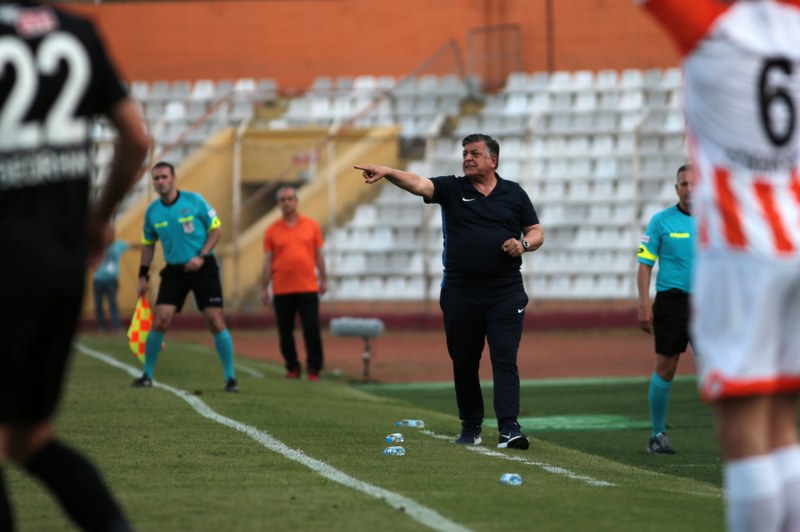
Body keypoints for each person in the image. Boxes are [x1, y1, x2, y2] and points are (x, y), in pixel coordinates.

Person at [642, 1, 800, 530]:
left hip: (743, 250)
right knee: (784, 418)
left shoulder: (716, 26)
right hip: (796, 233)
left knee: (747, 422)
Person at [0, 2, 149, 530]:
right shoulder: (79, 31)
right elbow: (136, 138)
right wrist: (98, 218)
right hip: (59, 266)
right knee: (29, 439)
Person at [355, 133, 544, 450]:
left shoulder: (514, 193)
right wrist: (388, 172)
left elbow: (536, 232)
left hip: (505, 293)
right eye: (465, 153)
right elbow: (418, 183)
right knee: (465, 362)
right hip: (461, 293)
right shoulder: (453, 188)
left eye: (475, 153)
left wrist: (523, 245)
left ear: (493, 160)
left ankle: (510, 429)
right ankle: (471, 426)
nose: (467, 158)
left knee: (504, 359)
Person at [132, 161, 239, 393]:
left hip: (204, 267)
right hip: (175, 271)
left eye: (164, 177)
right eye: (156, 178)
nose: (160, 182)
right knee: (160, 318)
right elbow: (148, 244)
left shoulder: (195, 201)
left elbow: (217, 228)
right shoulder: (152, 212)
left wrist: (201, 255)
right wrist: (142, 275)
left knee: (215, 320)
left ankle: (230, 378)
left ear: (173, 178)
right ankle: (146, 375)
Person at [636, 164, 695, 455]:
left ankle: (739, 435)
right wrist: (644, 303)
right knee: (666, 367)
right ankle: (657, 435)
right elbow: (645, 264)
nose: (689, 188)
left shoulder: (718, 221)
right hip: (672, 302)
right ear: (676, 189)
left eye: (694, 183)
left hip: (709, 303)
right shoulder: (661, 221)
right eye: (684, 184)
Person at [261, 186, 328, 381]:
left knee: (312, 329)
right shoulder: (271, 230)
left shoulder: (312, 225)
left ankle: (314, 368)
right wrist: (264, 288)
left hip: (308, 287)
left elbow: (319, 255)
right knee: (285, 332)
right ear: (278, 204)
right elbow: (267, 260)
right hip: (282, 289)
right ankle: (292, 367)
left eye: (290, 198)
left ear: (296, 201)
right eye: (283, 200)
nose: (287, 202)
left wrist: (324, 278)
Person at [93, 227, 139, 333]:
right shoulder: (99, 245)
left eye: (111, 233)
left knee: (113, 303)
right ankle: (101, 327)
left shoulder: (118, 245)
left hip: (111, 280)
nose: (109, 236)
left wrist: (146, 245)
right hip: (98, 279)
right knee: (98, 304)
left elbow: (132, 245)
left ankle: (116, 326)